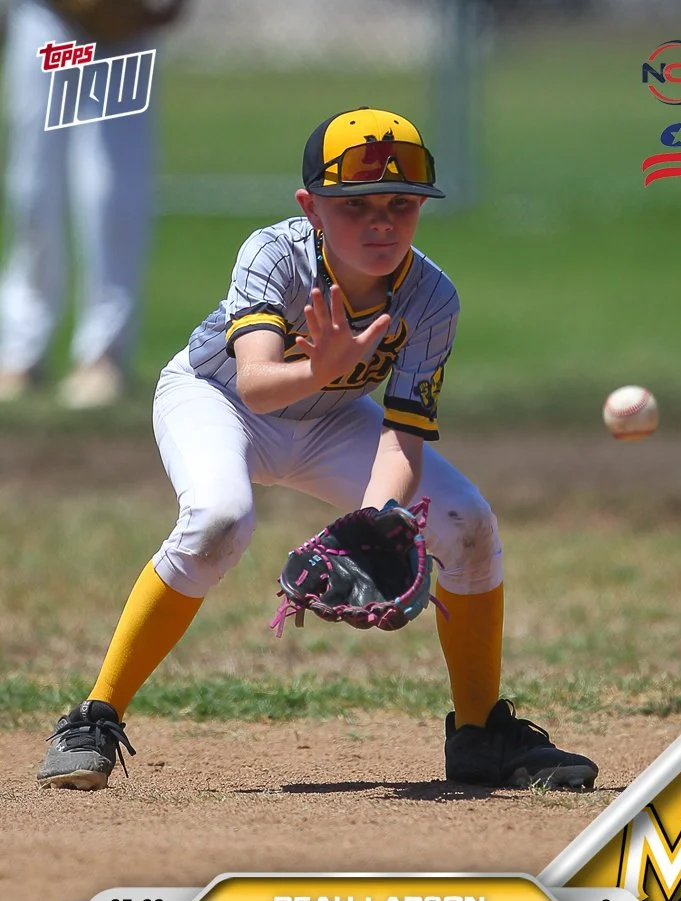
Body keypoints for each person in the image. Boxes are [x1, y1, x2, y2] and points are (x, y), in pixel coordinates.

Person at [36, 106, 598, 791]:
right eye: (355, 205)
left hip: (333, 418)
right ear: (311, 208)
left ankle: (482, 734)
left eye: (401, 204)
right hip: (217, 400)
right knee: (218, 519)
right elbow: (256, 385)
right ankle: (92, 719)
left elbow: (404, 432)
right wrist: (322, 367)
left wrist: (377, 521)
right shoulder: (275, 254)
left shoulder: (431, 297)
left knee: (468, 523)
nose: (382, 223)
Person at [0, 0, 183, 408]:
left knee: (111, 191)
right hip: (50, 18)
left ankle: (104, 354)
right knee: (34, 189)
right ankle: (20, 350)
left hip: (125, 27)